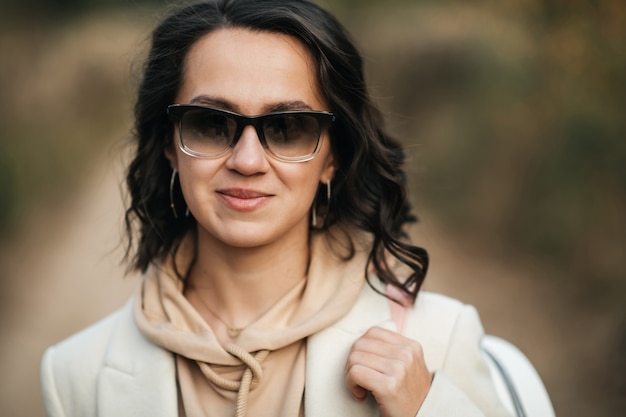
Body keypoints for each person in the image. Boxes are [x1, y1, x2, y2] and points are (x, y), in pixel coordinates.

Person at [40, 1, 513, 416]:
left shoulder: (439, 338)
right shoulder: (74, 376)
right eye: (210, 123)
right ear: (169, 144)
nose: (247, 161)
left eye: (287, 127)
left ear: (333, 156)